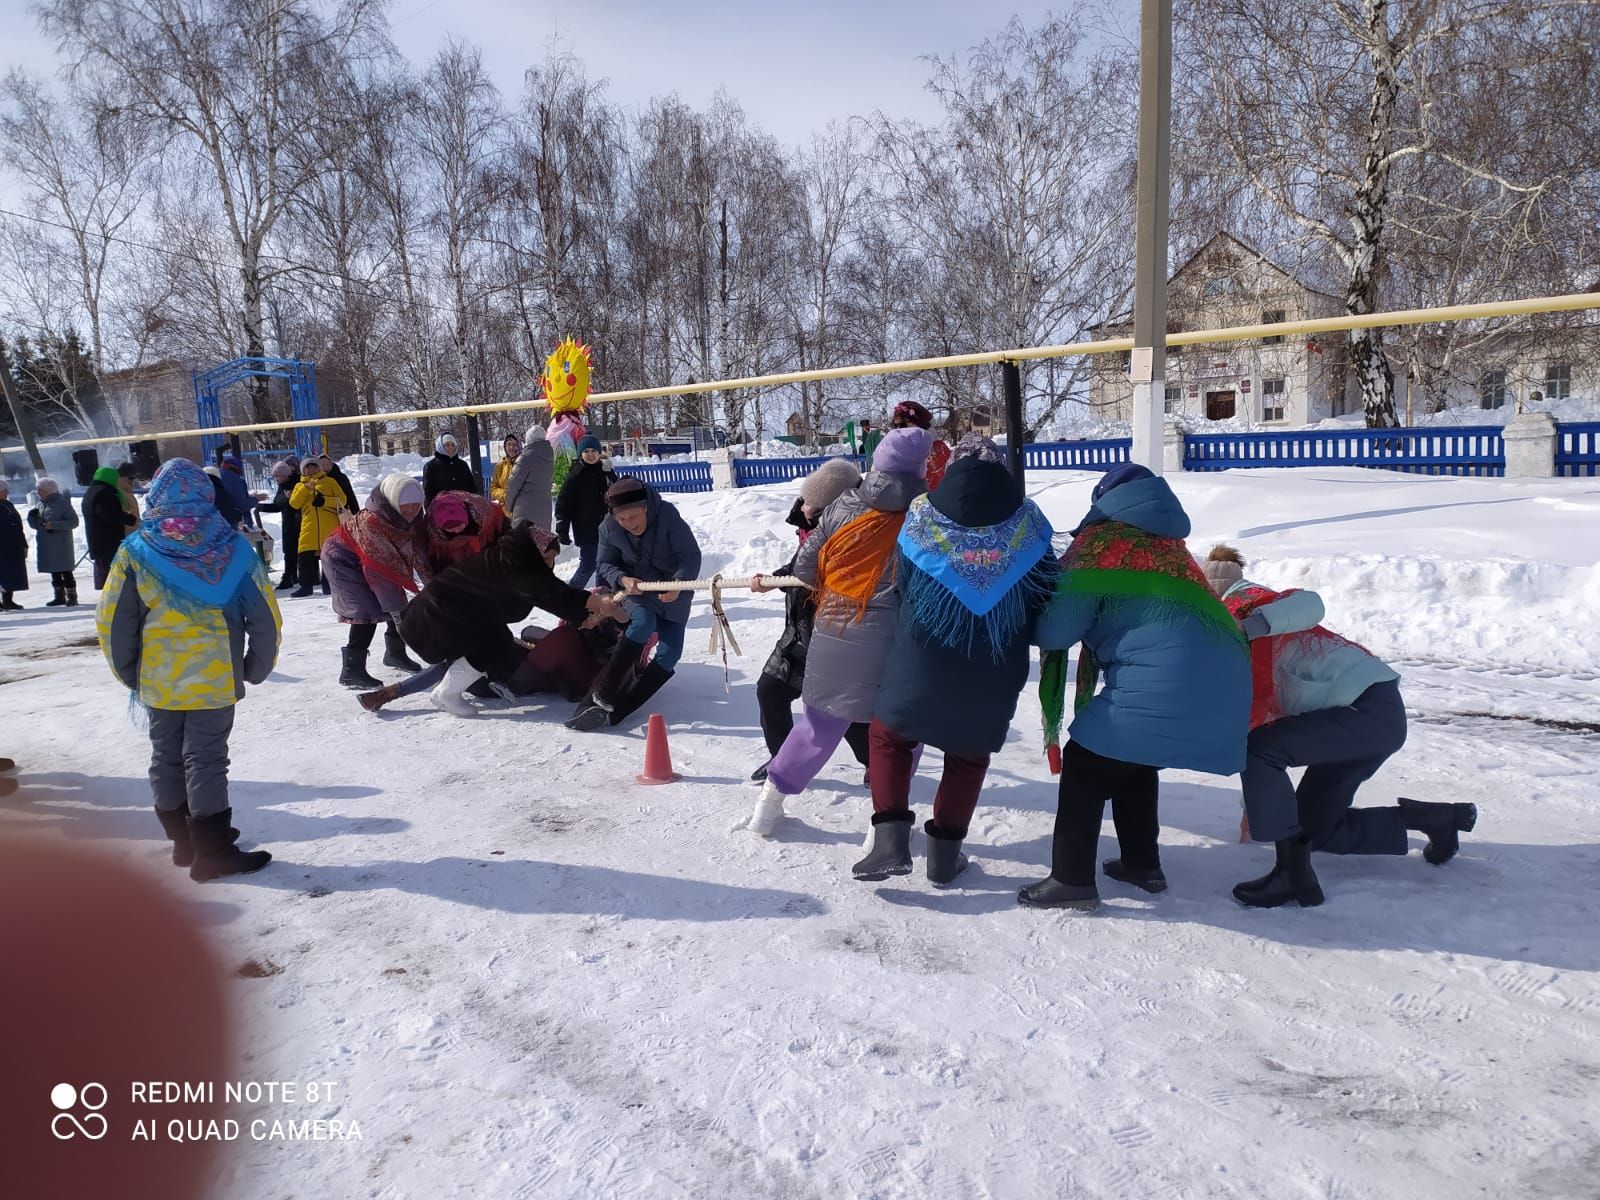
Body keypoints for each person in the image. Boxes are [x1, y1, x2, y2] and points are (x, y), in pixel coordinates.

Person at [1020, 463, 1251, 911]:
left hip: (1164, 681)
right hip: (1228, 679)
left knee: (1088, 762)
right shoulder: (1172, 549)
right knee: (1132, 757)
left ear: (1102, 503)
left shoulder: (1098, 547)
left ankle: (1071, 880)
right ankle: (1142, 864)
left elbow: (1054, 633)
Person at [1202, 545, 1477, 908]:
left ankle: (1293, 877)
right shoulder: (1233, 640)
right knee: (1316, 828)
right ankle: (1438, 818)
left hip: (1368, 708)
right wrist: (1253, 806)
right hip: (1352, 722)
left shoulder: (1261, 605)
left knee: (1262, 751)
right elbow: (1258, 721)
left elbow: (1311, 604)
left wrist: (1249, 625)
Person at [852, 436, 1058, 884]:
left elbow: (903, 586)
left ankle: (890, 842)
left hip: (922, 654)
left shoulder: (922, 517)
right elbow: (1046, 594)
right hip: (996, 664)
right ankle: (944, 858)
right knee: (967, 756)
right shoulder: (1030, 524)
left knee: (889, 737)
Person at [95, 458, 281, 881]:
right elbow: (264, 615)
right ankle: (212, 850)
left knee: (166, 756)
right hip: (214, 677)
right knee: (207, 759)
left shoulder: (136, 551)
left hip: (159, 678)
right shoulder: (232, 548)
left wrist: (129, 672)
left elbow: (113, 620)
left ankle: (184, 842)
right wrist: (256, 665)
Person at [742, 426, 932, 835]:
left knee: (816, 727)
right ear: (921, 467)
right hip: (897, 641)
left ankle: (767, 810)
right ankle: (881, 833)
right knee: (899, 736)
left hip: (835, 631)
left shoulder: (844, 503)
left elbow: (807, 570)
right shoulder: (925, 514)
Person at [393, 524, 625, 716]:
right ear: (532, 553)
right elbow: (551, 594)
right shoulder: (513, 564)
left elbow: (548, 592)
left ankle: (448, 692)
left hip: (456, 611)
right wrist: (593, 605)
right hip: (440, 613)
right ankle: (447, 694)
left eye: (552, 559)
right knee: (486, 646)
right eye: (544, 558)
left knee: (496, 641)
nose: (548, 565)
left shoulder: (514, 558)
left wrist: (586, 613)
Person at [748, 457, 869, 784]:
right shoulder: (810, 528)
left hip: (837, 636)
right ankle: (782, 760)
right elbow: (799, 567)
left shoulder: (857, 533)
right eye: (805, 502)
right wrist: (775, 580)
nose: (804, 509)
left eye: (812, 506)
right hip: (800, 631)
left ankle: (878, 764)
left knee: (844, 712)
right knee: (770, 691)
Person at [566, 477, 703, 732]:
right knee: (643, 622)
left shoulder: (668, 517)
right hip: (635, 589)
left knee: (671, 654)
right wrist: (621, 578)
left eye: (634, 517)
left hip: (672, 590)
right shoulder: (608, 528)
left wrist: (679, 583)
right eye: (623, 520)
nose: (629, 524)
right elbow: (604, 564)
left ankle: (622, 710)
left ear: (646, 508)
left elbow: (690, 555)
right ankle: (602, 693)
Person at [322, 474, 432, 689]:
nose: (411, 510)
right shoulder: (372, 522)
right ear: (393, 501)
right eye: (405, 505)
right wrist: (404, 623)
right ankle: (352, 670)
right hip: (341, 559)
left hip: (372, 558)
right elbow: (382, 576)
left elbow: (419, 552)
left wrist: (435, 585)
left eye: (416, 505)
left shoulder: (415, 517)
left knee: (397, 604)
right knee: (367, 611)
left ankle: (395, 654)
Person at [554, 434, 618, 588]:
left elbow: (617, 494)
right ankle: (569, 598)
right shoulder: (575, 475)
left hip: (608, 528)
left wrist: (610, 474)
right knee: (588, 565)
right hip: (586, 529)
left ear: (598, 452)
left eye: (593, 451)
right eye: (586, 451)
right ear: (580, 453)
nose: (590, 454)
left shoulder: (605, 472)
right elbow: (564, 503)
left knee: (606, 566)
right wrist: (562, 528)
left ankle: (603, 599)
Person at [287, 456, 346, 597]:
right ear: (303, 470)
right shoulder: (299, 486)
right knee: (305, 557)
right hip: (309, 526)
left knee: (330, 557)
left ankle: (329, 585)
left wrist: (325, 501)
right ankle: (306, 586)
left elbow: (342, 500)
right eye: (308, 467)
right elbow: (294, 503)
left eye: (314, 466)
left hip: (329, 525)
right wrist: (305, 490)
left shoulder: (330, 482)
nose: (311, 469)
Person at [27, 476, 80, 607]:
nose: (38, 492)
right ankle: (59, 596)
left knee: (66, 570)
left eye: (40, 490)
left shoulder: (62, 504)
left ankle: (72, 596)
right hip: (47, 544)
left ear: (48, 490)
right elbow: (37, 525)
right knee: (54, 571)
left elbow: (73, 522)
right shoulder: (40, 504)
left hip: (61, 544)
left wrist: (54, 525)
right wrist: (32, 518)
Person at [83, 466, 138, 589]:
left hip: (97, 540)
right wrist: (128, 518)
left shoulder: (91, 492)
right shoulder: (105, 493)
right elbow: (109, 513)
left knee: (106, 570)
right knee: (113, 573)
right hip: (108, 540)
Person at [426, 490, 506, 570]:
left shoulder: (485, 513)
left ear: (466, 517)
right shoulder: (435, 535)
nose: (457, 531)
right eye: (450, 529)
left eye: (460, 525)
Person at [254, 459, 302, 590]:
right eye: (274, 476)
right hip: (288, 523)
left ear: (286, 475)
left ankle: (295, 577)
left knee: (298, 551)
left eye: (277, 476)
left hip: (299, 523)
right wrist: (262, 507)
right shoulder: (282, 487)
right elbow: (278, 506)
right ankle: (291, 576)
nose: (275, 479)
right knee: (289, 551)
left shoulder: (297, 484)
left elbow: (295, 504)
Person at [503, 423, 555, 530]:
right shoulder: (550, 456)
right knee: (541, 541)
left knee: (523, 543)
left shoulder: (525, 458)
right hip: (545, 508)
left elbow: (513, 486)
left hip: (524, 510)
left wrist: (508, 507)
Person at [891, 401, 952, 490]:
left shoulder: (938, 449)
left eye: (903, 425)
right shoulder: (897, 450)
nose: (898, 430)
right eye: (895, 426)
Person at [423, 432, 477, 502]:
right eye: (447, 445)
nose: (451, 447)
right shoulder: (431, 467)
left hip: (464, 509)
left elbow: (472, 488)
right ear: (441, 447)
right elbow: (428, 494)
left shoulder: (462, 465)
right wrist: (430, 510)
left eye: (453, 445)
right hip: (441, 509)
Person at [0, 478, 28, 609]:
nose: (6, 493)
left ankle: (7, 600)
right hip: (4, 545)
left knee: (9, 574)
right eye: (4, 490)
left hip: (11, 544)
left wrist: (23, 543)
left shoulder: (7, 505)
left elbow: (17, 525)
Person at [213, 455, 259, 530]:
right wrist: (255, 499)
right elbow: (242, 505)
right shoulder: (236, 480)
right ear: (237, 467)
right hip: (229, 522)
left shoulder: (214, 476)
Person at [488, 434, 522, 505]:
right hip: (505, 509)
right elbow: (493, 488)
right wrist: (505, 495)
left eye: (514, 444)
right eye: (508, 444)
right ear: (505, 447)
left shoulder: (525, 463)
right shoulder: (500, 466)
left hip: (523, 509)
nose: (511, 447)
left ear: (519, 446)